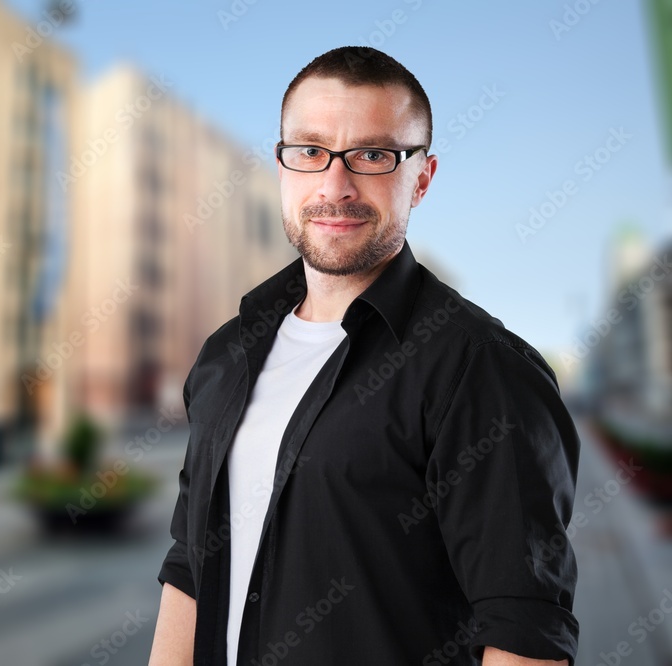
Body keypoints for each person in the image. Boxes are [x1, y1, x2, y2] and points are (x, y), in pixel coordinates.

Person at [148, 46, 579, 666]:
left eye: (374, 155)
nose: (335, 185)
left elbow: (525, 631)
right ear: (282, 165)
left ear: (422, 178)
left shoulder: (481, 369)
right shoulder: (227, 353)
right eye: (310, 151)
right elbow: (191, 562)